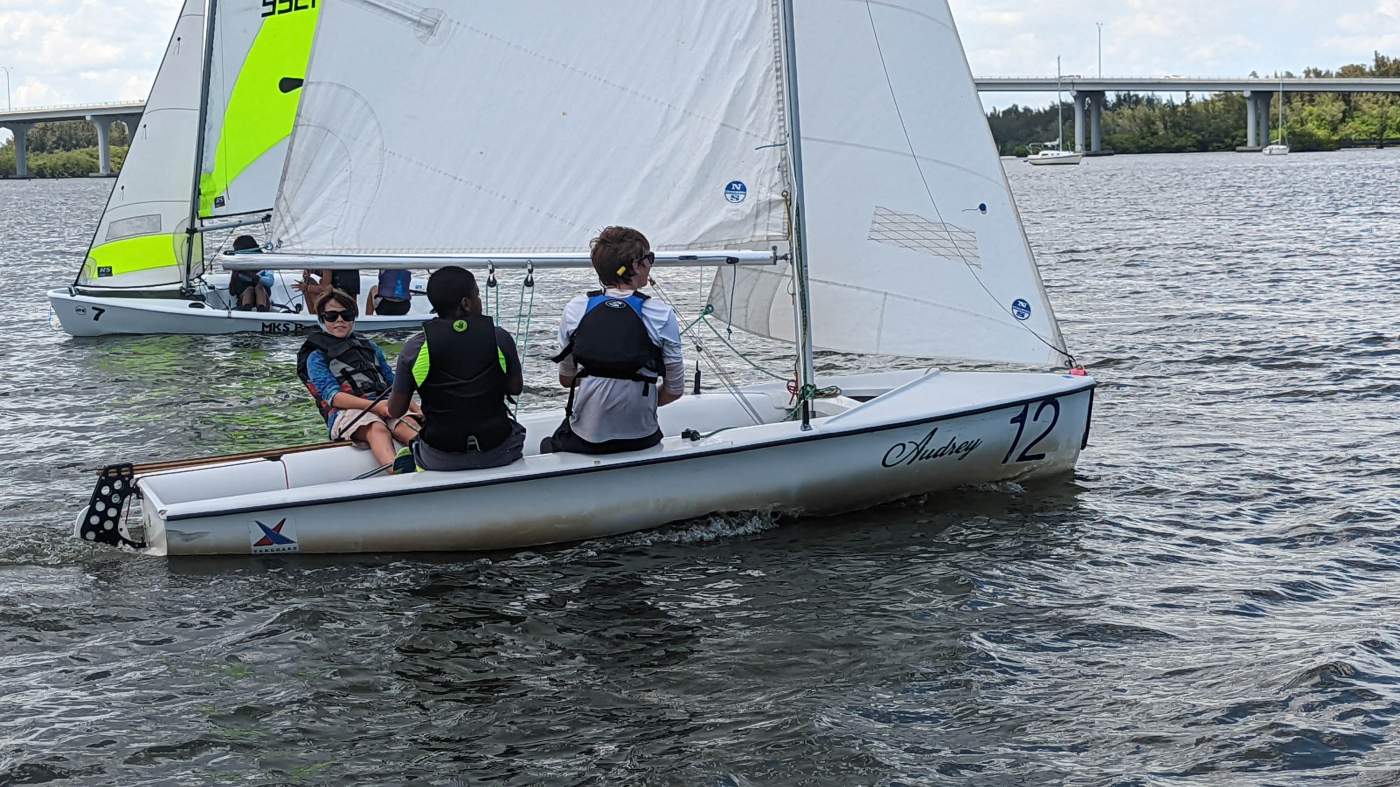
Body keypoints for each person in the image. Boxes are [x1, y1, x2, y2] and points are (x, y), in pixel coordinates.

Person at [543, 226, 684, 454]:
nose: (651, 265)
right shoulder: (661, 314)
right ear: (636, 265)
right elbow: (675, 390)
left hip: (586, 438)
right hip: (641, 437)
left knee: (550, 443)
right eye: (649, 258)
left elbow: (566, 380)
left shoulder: (575, 309)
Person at [386, 266, 525, 471]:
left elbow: (395, 410)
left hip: (439, 458)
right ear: (466, 304)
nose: (480, 301)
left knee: (418, 445)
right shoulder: (500, 338)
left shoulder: (414, 348)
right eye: (477, 295)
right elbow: (516, 389)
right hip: (499, 452)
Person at [297, 289, 420, 469]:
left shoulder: (370, 347)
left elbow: (394, 383)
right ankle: (395, 469)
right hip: (347, 412)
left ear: (354, 318)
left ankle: (431, 456)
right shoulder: (316, 357)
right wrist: (377, 407)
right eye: (331, 316)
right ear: (321, 319)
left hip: (385, 404)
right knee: (376, 428)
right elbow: (334, 397)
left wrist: (415, 409)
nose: (340, 320)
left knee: (406, 423)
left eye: (346, 315)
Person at [227, 235, 273, 312]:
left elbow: (270, 282)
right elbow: (232, 292)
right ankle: (246, 308)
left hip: (263, 298)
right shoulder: (237, 266)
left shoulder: (264, 262)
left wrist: (252, 275)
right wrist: (234, 276)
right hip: (244, 298)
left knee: (259, 287)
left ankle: (262, 309)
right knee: (249, 290)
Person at [294, 268, 361, 314]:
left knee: (308, 282)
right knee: (309, 282)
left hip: (339, 300)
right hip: (349, 302)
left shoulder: (326, 262)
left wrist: (307, 287)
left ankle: (315, 315)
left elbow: (325, 288)